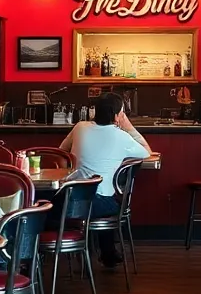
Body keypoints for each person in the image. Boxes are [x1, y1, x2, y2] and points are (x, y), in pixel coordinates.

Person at [60, 92, 151, 267]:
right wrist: (128, 126)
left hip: (70, 200)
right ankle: (107, 253)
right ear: (118, 115)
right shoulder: (122, 137)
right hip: (99, 204)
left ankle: (81, 252)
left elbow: (62, 150)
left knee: (92, 197)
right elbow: (146, 151)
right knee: (108, 198)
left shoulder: (80, 127)